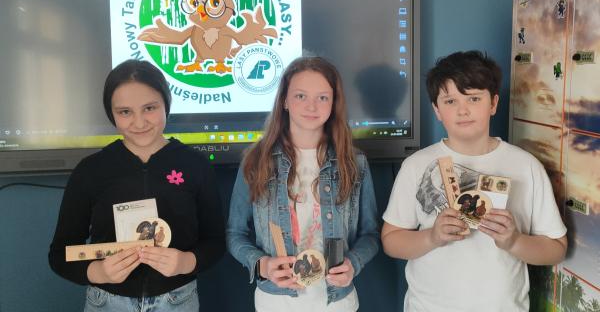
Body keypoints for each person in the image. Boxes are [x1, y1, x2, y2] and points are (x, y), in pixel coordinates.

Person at [381, 50, 567, 312]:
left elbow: (556, 249)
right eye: (450, 101)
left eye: (474, 98)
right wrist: (432, 237)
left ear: (493, 103)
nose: (463, 110)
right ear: (436, 110)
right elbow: (391, 241)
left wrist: (514, 241)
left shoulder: (526, 167)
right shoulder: (416, 165)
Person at [48, 59, 225, 311]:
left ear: (166, 104)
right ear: (112, 114)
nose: (139, 123)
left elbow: (216, 241)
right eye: (125, 112)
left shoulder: (194, 165)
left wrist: (186, 262)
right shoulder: (90, 170)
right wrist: (98, 272)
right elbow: (59, 254)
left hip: (177, 300)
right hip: (107, 302)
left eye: (150, 108)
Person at [227, 56, 379, 311]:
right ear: (284, 101)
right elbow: (235, 234)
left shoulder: (355, 163)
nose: (311, 106)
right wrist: (262, 265)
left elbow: (370, 234)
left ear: (333, 103)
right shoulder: (256, 161)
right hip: (276, 303)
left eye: (322, 97)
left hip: (337, 303)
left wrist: (353, 263)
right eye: (300, 96)